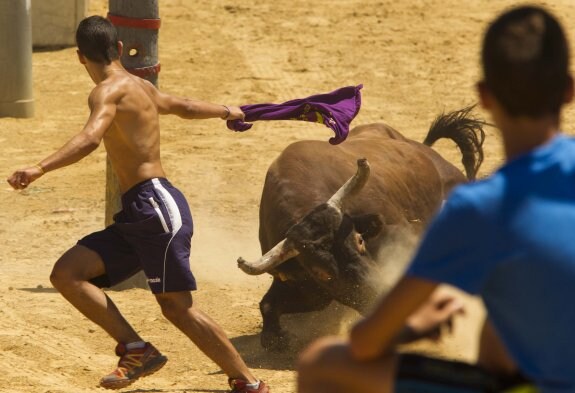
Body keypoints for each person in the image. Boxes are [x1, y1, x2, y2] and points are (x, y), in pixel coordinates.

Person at [297, 5, 575, 393]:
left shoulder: (480, 207)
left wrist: (415, 327)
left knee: (320, 364)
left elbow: (365, 343)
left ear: (485, 97)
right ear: (568, 89)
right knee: (500, 327)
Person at [7, 15, 268, 393]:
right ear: (116, 49)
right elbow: (183, 105)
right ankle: (136, 348)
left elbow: (90, 138)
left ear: (80, 57)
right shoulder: (140, 86)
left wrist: (40, 167)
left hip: (155, 208)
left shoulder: (106, 91)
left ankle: (250, 383)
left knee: (178, 308)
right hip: (141, 211)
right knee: (68, 273)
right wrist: (227, 110)